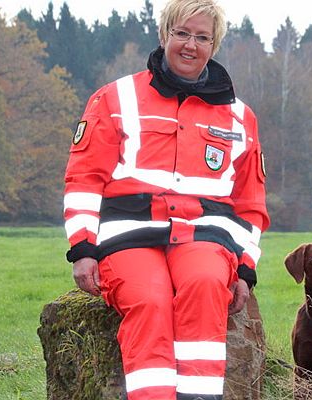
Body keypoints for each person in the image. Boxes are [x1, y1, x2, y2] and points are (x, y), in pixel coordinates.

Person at [62, 0, 269, 398]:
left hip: (205, 238)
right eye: (182, 34)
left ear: (215, 45)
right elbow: (84, 178)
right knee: (150, 299)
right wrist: (83, 247)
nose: (191, 45)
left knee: (206, 285)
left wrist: (245, 268)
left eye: (202, 37)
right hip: (130, 237)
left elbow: (251, 202)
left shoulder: (241, 116)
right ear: (164, 35)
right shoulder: (114, 98)